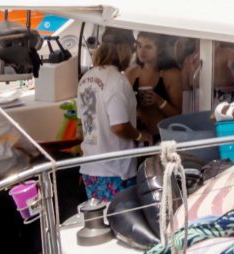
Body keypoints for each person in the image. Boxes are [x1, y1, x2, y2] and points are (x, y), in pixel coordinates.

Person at [75, 34, 140, 204]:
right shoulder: (117, 81)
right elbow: (119, 127)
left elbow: (83, 125)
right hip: (115, 171)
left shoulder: (85, 79)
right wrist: (140, 136)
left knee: (99, 223)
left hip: (91, 168)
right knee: (121, 223)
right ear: (125, 52)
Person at [127, 32, 184, 139]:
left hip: (162, 137)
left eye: (148, 47)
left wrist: (159, 101)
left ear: (160, 49)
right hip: (138, 136)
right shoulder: (131, 74)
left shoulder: (171, 74)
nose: (142, 51)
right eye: (139, 46)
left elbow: (178, 115)